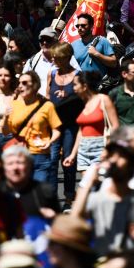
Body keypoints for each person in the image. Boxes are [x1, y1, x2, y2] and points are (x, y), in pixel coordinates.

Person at [73, 141, 134, 253]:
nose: (113, 160)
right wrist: (88, 183)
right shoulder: (97, 200)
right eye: (111, 155)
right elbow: (73, 220)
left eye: (121, 156)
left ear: (132, 167)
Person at [3, 72, 61, 184]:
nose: (20, 86)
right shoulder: (13, 105)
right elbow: (6, 132)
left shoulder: (47, 106)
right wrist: (5, 118)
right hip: (19, 155)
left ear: (35, 85)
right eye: (19, 83)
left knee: (39, 191)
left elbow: (56, 130)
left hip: (40, 155)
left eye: (24, 83)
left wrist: (50, 142)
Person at [63, 71, 119, 181]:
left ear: (84, 86)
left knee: (99, 183)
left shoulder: (103, 99)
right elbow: (81, 131)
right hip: (83, 149)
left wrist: (107, 149)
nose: (73, 88)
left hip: (100, 147)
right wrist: (73, 154)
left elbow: (115, 126)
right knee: (87, 183)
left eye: (75, 85)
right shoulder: (84, 102)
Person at [46, 42, 82, 200]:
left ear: (67, 57)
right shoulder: (52, 74)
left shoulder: (78, 76)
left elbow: (83, 100)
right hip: (54, 125)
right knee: (52, 160)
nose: (53, 60)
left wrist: (68, 97)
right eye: (53, 57)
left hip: (71, 126)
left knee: (68, 160)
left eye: (57, 57)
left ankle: (69, 195)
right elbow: (48, 98)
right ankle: (52, 197)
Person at [70, 13, 117, 77]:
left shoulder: (102, 41)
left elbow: (114, 63)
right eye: (77, 26)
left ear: (91, 27)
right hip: (81, 82)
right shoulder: (73, 45)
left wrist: (96, 54)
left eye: (83, 25)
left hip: (100, 82)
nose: (80, 28)